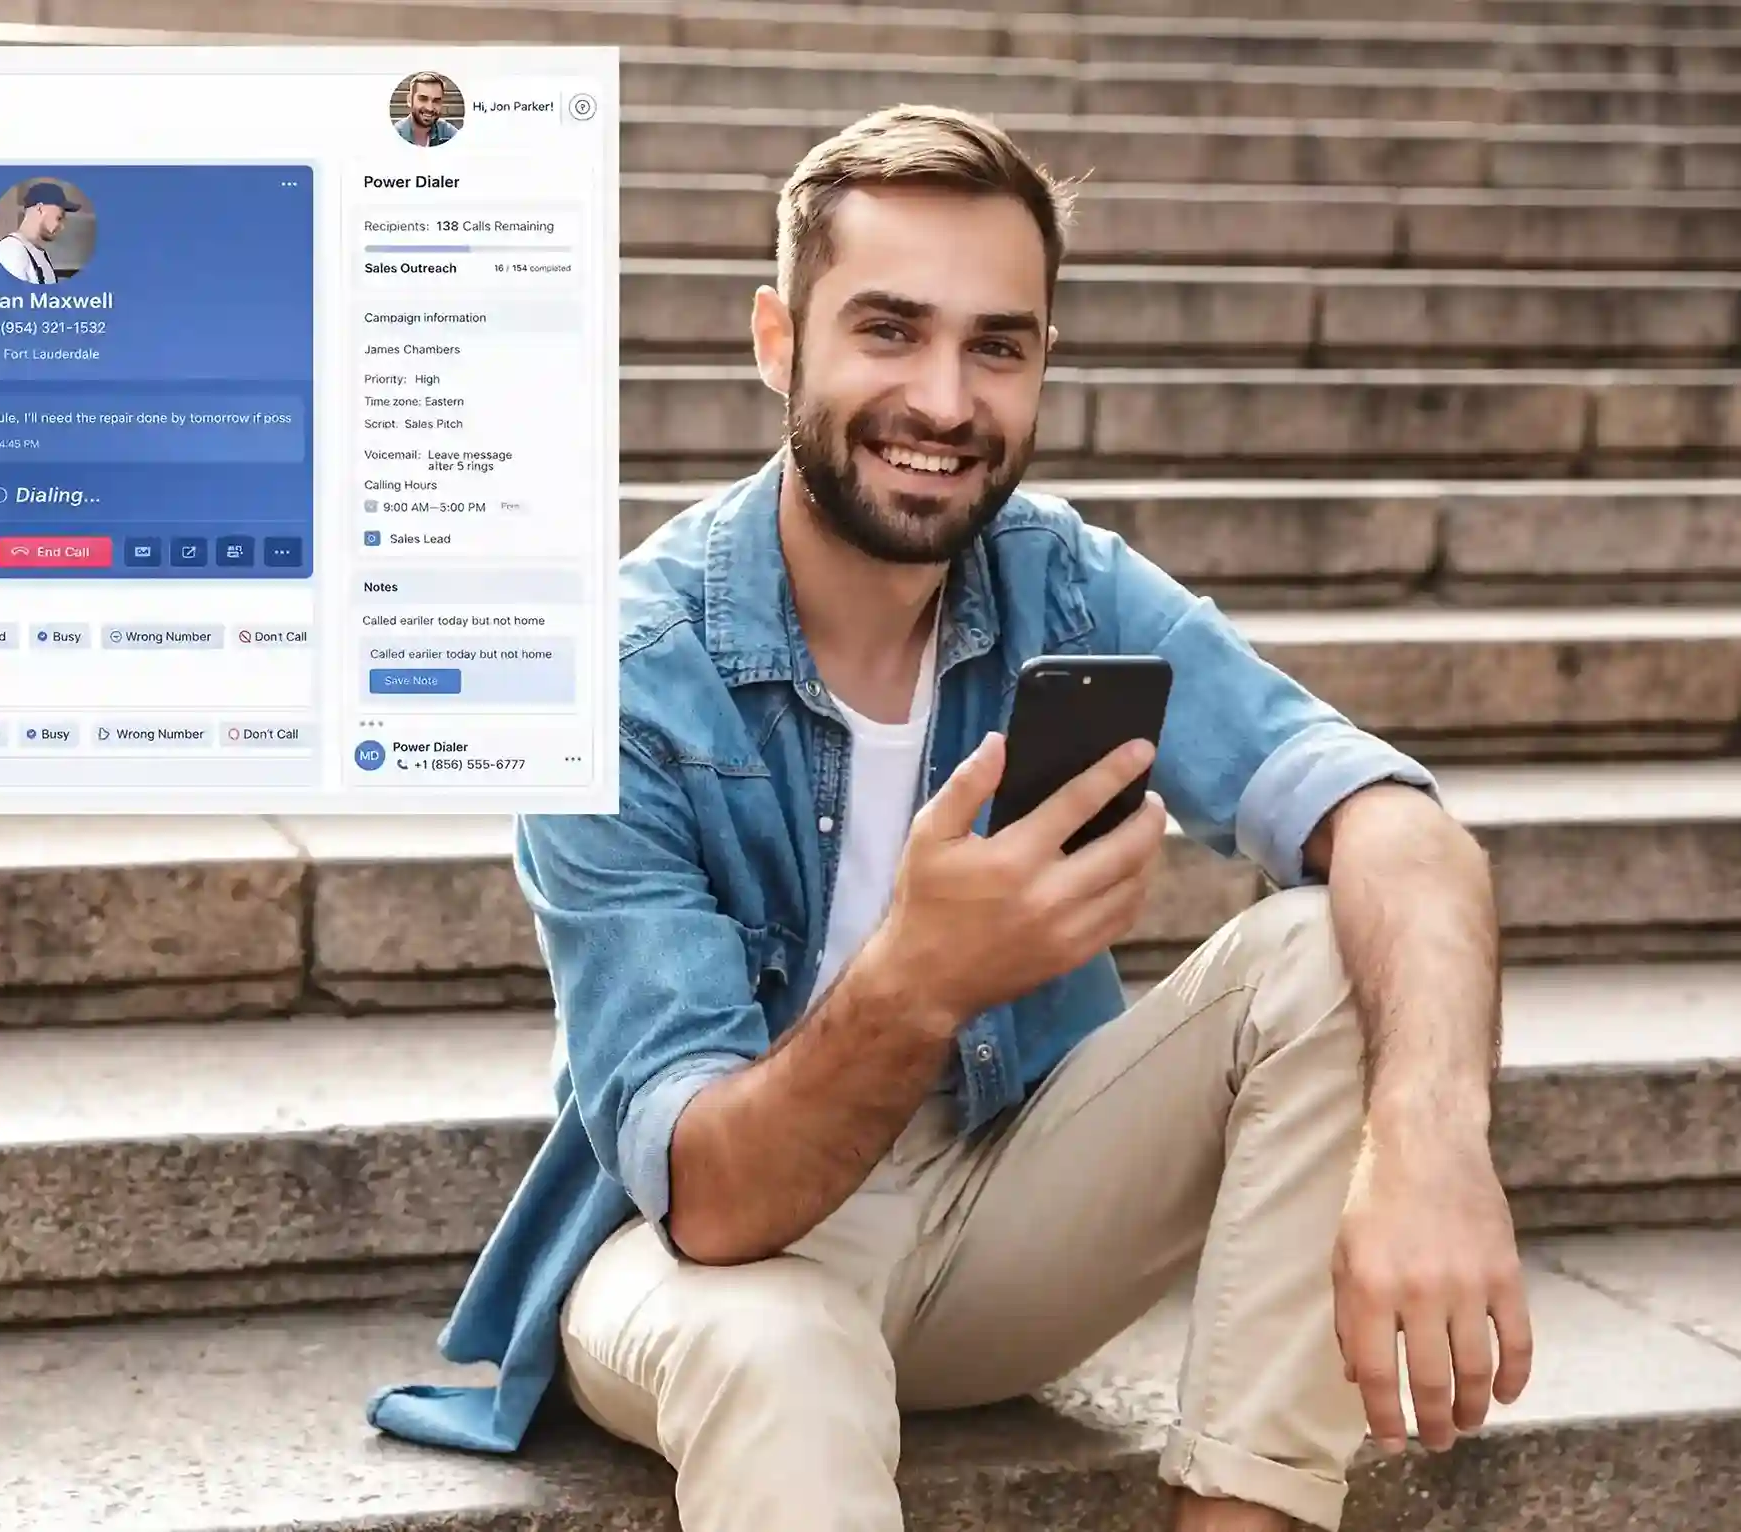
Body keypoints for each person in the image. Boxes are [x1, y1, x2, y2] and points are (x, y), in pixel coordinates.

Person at [369, 104, 1535, 1532]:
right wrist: (920, 974)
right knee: (781, 1349)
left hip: (997, 1225)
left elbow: (1395, 823)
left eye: (996, 345)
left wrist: (1427, 1140)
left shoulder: (1062, 586)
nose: (942, 399)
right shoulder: (618, 685)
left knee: (1324, 940)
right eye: (887, 330)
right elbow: (711, 1201)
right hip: (697, 1265)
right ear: (776, 342)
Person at [0, 181, 79, 284]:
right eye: (59, 218)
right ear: (40, 209)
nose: (62, 227)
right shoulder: (11, 250)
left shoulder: (40, 253)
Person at [395, 73, 459, 147]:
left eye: (436, 100)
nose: (430, 108)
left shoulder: (447, 132)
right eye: (423, 99)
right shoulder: (396, 134)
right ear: (409, 100)